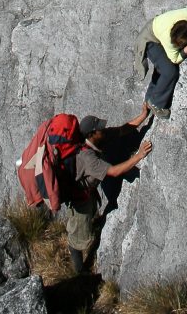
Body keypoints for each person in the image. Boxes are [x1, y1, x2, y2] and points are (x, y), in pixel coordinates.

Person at [65, 104, 152, 273]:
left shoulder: (99, 137)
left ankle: (85, 232)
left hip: (87, 193)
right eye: (99, 129)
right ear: (91, 134)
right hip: (79, 200)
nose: (102, 130)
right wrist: (139, 156)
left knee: (88, 221)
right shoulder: (88, 157)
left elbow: (122, 129)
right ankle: (79, 272)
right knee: (78, 237)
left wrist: (143, 116)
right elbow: (114, 171)